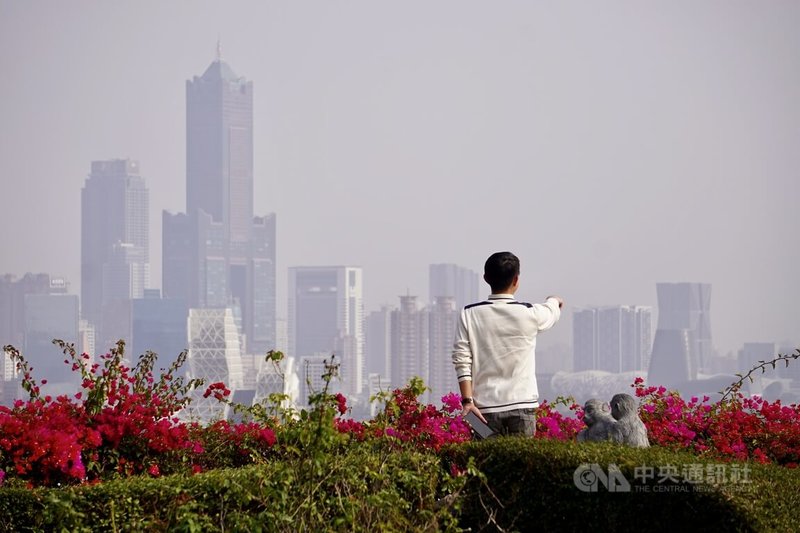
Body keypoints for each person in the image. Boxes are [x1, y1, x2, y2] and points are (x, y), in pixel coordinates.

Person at [453, 251, 563, 437]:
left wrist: (467, 402)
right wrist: (554, 300)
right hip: (522, 408)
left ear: (486, 278)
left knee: (484, 464)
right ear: (516, 280)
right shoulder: (529, 313)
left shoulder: (469, 313)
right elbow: (552, 310)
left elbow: (461, 359)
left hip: (482, 411)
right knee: (520, 465)